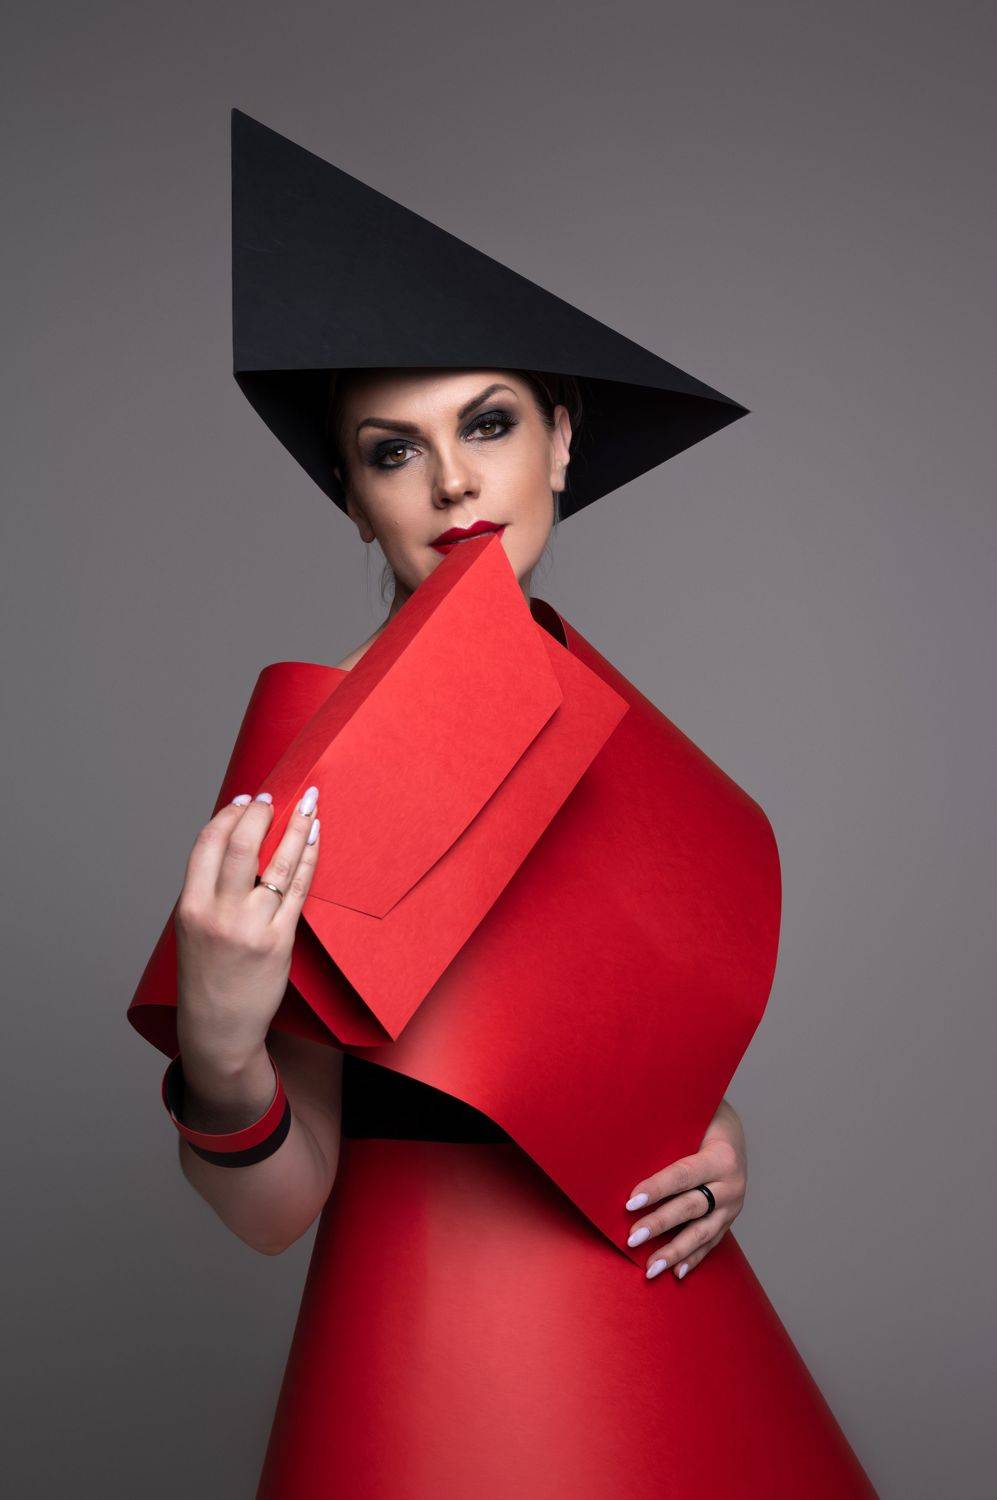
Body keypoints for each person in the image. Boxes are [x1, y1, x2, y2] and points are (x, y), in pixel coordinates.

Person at [127, 112, 878, 1496]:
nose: (454, 480)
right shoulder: (314, 760)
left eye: (487, 423)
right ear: (353, 501)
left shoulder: (624, 731)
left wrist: (705, 1144)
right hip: (427, 1351)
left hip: (658, 1328)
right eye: (391, 450)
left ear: (562, 442)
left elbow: (616, 1066)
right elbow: (274, 1214)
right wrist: (223, 1049)